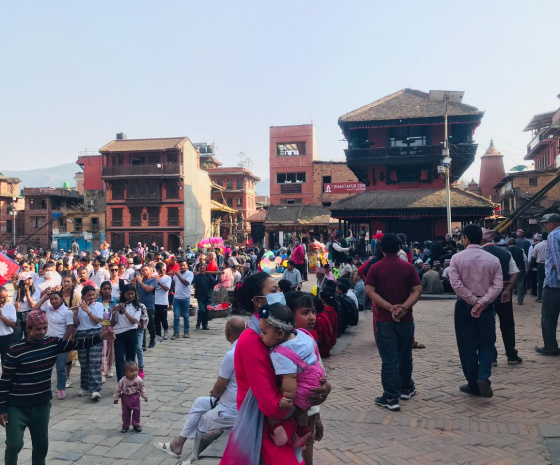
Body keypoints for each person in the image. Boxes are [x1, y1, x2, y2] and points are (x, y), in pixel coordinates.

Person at [221, 272, 330, 465]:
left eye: (279, 289)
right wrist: (300, 404)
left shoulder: (281, 333)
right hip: (264, 428)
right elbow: (270, 402)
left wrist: (318, 388)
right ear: (258, 301)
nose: (280, 294)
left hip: (284, 426)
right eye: (274, 290)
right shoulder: (251, 340)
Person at [0, 309, 113, 465]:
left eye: (45, 327)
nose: (42, 332)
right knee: (14, 444)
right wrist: (2, 408)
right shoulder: (15, 350)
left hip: (41, 405)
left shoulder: (52, 343)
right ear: (29, 329)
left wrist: (100, 336)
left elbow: (78, 343)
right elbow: (5, 380)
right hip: (17, 406)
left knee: (41, 446)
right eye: (38, 329)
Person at [154, 317, 245, 461]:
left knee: (201, 421)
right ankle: (177, 444)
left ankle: (194, 459)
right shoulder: (243, 347)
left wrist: (216, 392)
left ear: (227, 331)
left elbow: (220, 386)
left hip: (231, 408)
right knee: (199, 403)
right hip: (231, 400)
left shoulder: (232, 354)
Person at [365, 233, 422, 411]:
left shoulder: (375, 268)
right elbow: (417, 289)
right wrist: (403, 307)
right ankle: (406, 388)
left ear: (381, 249)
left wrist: (389, 307)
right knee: (405, 355)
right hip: (406, 319)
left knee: (389, 359)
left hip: (384, 319)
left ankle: (391, 397)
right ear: (399, 248)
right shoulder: (408, 267)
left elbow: (369, 291)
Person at [258, 303, 325, 449]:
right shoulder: (301, 334)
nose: (261, 336)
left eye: (264, 333)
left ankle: (277, 432)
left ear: (280, 334)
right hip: (316, 377)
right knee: (302, 408)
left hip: (304, 387)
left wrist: (287, 397)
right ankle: (302, 429)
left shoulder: (281, 354)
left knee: (272, 412)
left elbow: (290, 378)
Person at [448, 224, 503, 398]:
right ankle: (484, 377)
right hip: (486, 308)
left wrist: (473, 302)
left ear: (466, 239)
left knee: (467, 346)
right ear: (481, 239)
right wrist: (483, 303)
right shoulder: (493, 260)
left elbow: (456, 284)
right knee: (486, 343)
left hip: (464, 307)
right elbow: (498, 285)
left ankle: (473, 383)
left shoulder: (456, 258)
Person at [481, 229, 522, 366]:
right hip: (504, 294)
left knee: (487, 325)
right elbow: (515, 272)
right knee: (508, 324)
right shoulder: (505, 252)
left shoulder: (479, 254)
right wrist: (508, 289)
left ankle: (492, 357)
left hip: (486, 295)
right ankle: (512, 355)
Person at [32, 290, 75, 400]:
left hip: (61, 343)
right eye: (51, 299)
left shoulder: (67, 311)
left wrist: (63, 341)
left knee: (60, 368)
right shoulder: (48, 310)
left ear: (61, 299)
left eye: (56, 298)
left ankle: (61, 388)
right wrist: (44, 299)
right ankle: (42, 388)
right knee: (44, 367)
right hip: (47, 343)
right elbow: (34, 310)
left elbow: (70, 327)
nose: (53, 301)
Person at [73, 285, 104, 401]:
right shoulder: (79, 307)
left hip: (95, 333)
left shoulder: (99, 305)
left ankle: (95, 389)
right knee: (84, 361)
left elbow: (97, 321)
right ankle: (84, 386)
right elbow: (76, 324)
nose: (91, 297)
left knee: (94, 361)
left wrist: (87, 310)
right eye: (89, 295)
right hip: (81, 334)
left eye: (93, 294)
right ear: (83, 296)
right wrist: (76, 313)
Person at [536, 214, 560, 355]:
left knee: (548, 317)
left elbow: (557, 259)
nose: (546, 226)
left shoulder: (553, 235)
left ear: (554, 223)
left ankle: (550, 347)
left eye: (547, 223)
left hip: (554, 284)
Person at [112, 284, 143, 380]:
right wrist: (113, 314)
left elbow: (134, 321)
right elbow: (113, 323)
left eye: (132, 294)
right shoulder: (118, 306)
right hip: (119, 335)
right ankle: (120, 381)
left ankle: (130, 381)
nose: (130, 296)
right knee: (119, 359)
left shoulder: (138, 307)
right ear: (123, 295)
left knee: (130, 359)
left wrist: (124, 311)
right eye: (128, 294)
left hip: (131, 333)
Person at [114, 360, 148, 433]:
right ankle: (125, 425)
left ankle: (136, 424)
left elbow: (142, 387)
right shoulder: (122, 381)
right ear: (126, 372)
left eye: (136, 370)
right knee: (125, 413)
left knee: (137, 411)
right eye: (132, 371)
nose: (135, 373)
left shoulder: (139, 380)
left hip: (135, 397)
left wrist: (144, 395)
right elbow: (118, 389)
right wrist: (116, 398)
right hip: (125, 398)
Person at [132, 265, 157, 349]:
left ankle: (152, 339)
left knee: (150, 324)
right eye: (142, 270)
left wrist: (140, 282)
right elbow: (135, 292)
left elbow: (148, 289)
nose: (144, 272)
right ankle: (142, 344)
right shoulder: (140, 281)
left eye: (146, 270)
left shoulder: (153, 280)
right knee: (141, 325)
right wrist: (134, 284)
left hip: (149, 306)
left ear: (150, 271)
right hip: (140, 306)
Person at [98, 281, 118, 382]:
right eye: (104, 289)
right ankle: (102, 371)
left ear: (111, 289)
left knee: (111, 349)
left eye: (108, 289)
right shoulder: (98, 301)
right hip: (101, 327)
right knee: (102, 349)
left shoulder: (115, 301)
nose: (106, 291)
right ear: (101, 290)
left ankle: (109, 368)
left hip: (111, 327)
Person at [172, 258, 193, 340]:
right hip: (176, 297)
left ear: (186, 266)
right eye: (180, 265)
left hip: (185, 297)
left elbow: (186, 283)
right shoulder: (176, 274)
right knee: (176, 316)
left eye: (183, 265)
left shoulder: (190, 274)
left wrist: (178, 275)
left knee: (186, 316)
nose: (182, 267)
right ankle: (176, 333)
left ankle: (186, 332)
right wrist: (171, 277)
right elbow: (174, 284)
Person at [192, 264, 219, 331]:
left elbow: (214, 282)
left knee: (207, 311)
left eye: (203, 268)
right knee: (201, 309)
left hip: (208, 296)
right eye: (200, 268)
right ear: (198, 269)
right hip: (200, 296)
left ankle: (205, 325)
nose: (202, 270)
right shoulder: (197, 277)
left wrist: (219, 279)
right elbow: (192, 283)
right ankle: (198, 323)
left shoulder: (209, 276)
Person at [154, 262, 171, 342]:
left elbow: (167, 288)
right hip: (155, 301)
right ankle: (158, 335)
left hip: (163, 302)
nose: (162, 271)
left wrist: (159, 282)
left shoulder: (167, 278)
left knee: (163, 319)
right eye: (160, 270)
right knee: (156, 320)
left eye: (163, 269)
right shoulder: (155, 277)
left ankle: (166, 329)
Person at [0, 287, 17, 367]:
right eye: (2, 297)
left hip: (7, 339)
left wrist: (1, 316)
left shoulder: (10, 307)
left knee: (6, 363)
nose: (5, 299)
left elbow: (12, 324)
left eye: (6, 296)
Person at [507, 238, 527, 305]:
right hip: (520, 269)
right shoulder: (521, 250)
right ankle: (520, 300)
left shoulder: (506, 251)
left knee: (509, 285)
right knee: (520, 285)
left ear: (508, 243)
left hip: (510, 271)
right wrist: (526, 269)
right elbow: (525, 260)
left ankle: (509, 300)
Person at [530, 231, 547, 302]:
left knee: (540, 282)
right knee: (549, 281)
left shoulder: (538, 245)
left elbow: (533, 256)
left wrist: (530, 265)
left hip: (540, 265)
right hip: (550, 265)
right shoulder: (552, 244)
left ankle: (540, 297)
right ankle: (547, 297)